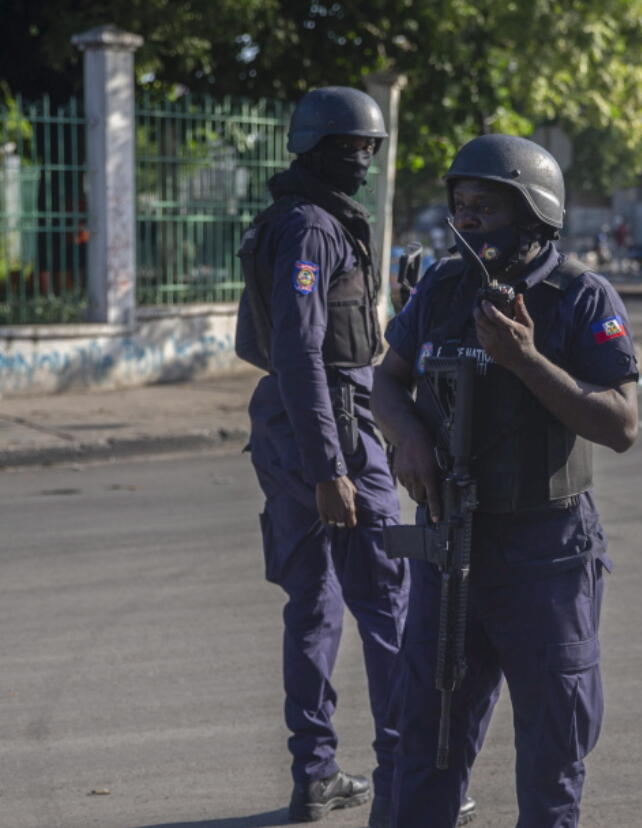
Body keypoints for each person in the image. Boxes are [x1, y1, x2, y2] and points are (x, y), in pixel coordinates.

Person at [372, 133, 640, 828]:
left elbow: (620, 424)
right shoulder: (441, 286)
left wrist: (525, 359)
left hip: (544, 553)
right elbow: (387, 382)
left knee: (553, 750)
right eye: (460, 207)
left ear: (531, 213)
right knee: (427, 742)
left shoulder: (579, 296)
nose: (467, 224)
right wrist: (409, 440)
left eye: (484, 208)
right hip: (450, 543)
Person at [234, 86, 409, 825]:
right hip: (329, 427)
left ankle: (317, 774)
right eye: (351, 148)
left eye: (370, 147)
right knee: (384, 602)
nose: (363, 160)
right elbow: (301, 352)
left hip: (298, 427)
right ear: (314, 150)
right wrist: (332, 467)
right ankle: (408, 773)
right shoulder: (310, 229)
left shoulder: (304, 219)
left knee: (317, 606)